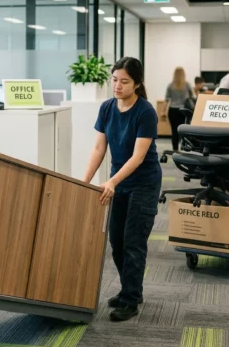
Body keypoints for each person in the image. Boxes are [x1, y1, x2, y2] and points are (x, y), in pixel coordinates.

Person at [83, 57, 161, 322]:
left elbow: (138, 157)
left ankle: (130, 299)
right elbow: (99, 148)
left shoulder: (145, 112)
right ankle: (131, 289)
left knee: (133, 242)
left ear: (137, 84)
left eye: (124, 81)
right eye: (114, 80)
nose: (117, 86)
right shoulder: (107, 108)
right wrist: (85, 181)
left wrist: (112, 182)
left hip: (144, 183)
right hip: (119, 182)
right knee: (116, 241)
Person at [165, 67, 195, 151]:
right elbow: (192, 96)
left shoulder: (170, 85)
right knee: (183, 131)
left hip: (172, 111)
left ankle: (175, 150)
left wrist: (163, 111)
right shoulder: (187, 85)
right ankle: (183, 148)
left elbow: (166, 100)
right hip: (183, 111)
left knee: (174, 131)